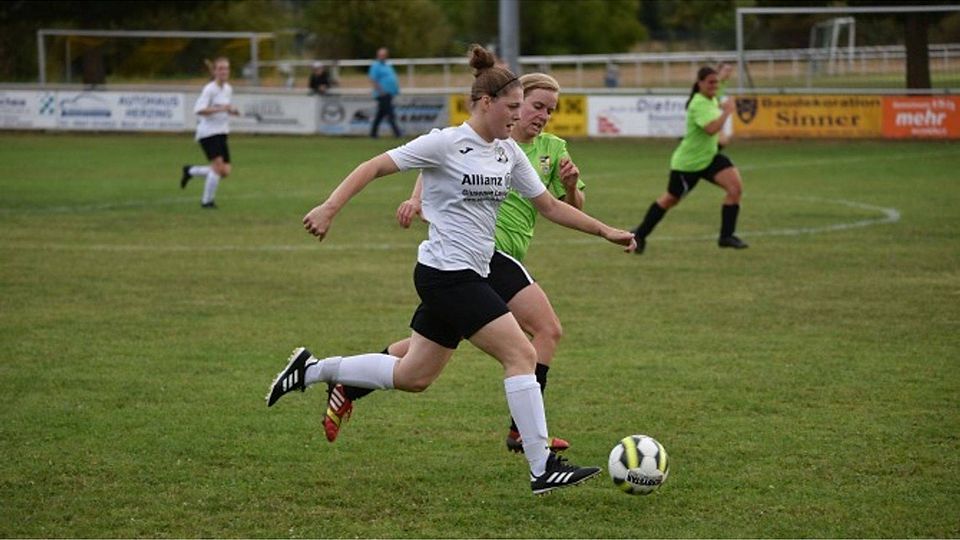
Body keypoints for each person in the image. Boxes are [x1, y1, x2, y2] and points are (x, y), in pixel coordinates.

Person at [266, 45, 636, 495]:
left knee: (414, 376)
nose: (518, 116)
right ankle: (542, 467)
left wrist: (604, 230)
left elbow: (550, 206)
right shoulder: (444, 143)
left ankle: (310, 370)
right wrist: (329, 207)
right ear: (486, 103)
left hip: (471, 272)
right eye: (513, 107)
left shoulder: (508, 153)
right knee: (521, 355)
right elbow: (374, 166)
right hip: (446, 274)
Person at [322, 73, 585, 457]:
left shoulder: (552, 149)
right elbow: (439, 162)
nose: (541, 115)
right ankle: (527, 436)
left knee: (422, 358)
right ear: (508, 103)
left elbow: (562, 206)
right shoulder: (486, 139)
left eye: (550, 110)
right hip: (485, 257)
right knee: (544, 331)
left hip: (484, 262)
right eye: (534, 106)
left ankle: (344, 380)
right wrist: (416, 198)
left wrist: (575, 188)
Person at [629, 65, 748, 254]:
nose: (714, 86)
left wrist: (723, 78)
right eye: (710, 82)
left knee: (735, 189)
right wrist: (727, 112)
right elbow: (711, 129)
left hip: (709, 157)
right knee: (669, 200)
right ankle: (640, 235)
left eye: (716, 82)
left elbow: (718, 91)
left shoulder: (711, 97)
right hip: (688, 164)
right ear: (699, 84)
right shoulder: (698, 103)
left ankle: (727, 236)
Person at [180, 57, 239, 209]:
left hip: (222, 132)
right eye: (220, 68)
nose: (224, 71)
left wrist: (231, 111)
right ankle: (207, 202)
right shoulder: (209, 89)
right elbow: (199, 110)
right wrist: (222, 108)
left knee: (225, 171)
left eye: (226, 68)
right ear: (214, 71)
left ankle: (190, 171)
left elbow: (223, 108)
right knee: (217, 168)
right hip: (208, 133)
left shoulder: (228, 89)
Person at [368, 47, 402, 138]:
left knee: (380, 114)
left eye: (384, 55)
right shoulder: (376, 66)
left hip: (389, 93)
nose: (383, 57)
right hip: (382, 94)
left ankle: (373, 134)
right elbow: (373, 79)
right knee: (390, 114)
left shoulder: (387, 65)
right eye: (381, 55)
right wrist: (381, 91)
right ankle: (397, 133)